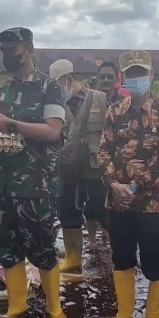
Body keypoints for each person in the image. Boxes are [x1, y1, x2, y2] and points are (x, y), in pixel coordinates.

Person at [0, 27, 68, 318]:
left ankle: (55, 308)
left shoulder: (50, 87)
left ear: (29, 50)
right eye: (4, 52)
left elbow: (53, 131)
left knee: (42, 246)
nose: (8, 57)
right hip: (2, 181)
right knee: (4, 242)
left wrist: (9, 123)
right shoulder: (4, 89)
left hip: (35, 183)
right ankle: (17, 304)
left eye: (13, 52)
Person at [97, 50, 159, 318]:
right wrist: (113, 186)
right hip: (117, 202)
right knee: (121, 259)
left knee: (156, 263)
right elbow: (104, 151)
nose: (136, 79)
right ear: (123, 79)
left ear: (152, 75)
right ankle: (125, 313)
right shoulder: (114, 112)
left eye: (140, 73)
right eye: (130, 74)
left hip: (152, 204)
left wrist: (130, 189)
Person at [49, 59, 108, 271]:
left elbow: (113, 135)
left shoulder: (100, 99)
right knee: (66, 211)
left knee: (105, 213)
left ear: (70, 80)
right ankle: (73, 258)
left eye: (57, 85)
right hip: (67, 170)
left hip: (95, 169)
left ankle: (120, 258)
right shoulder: (54, 106)